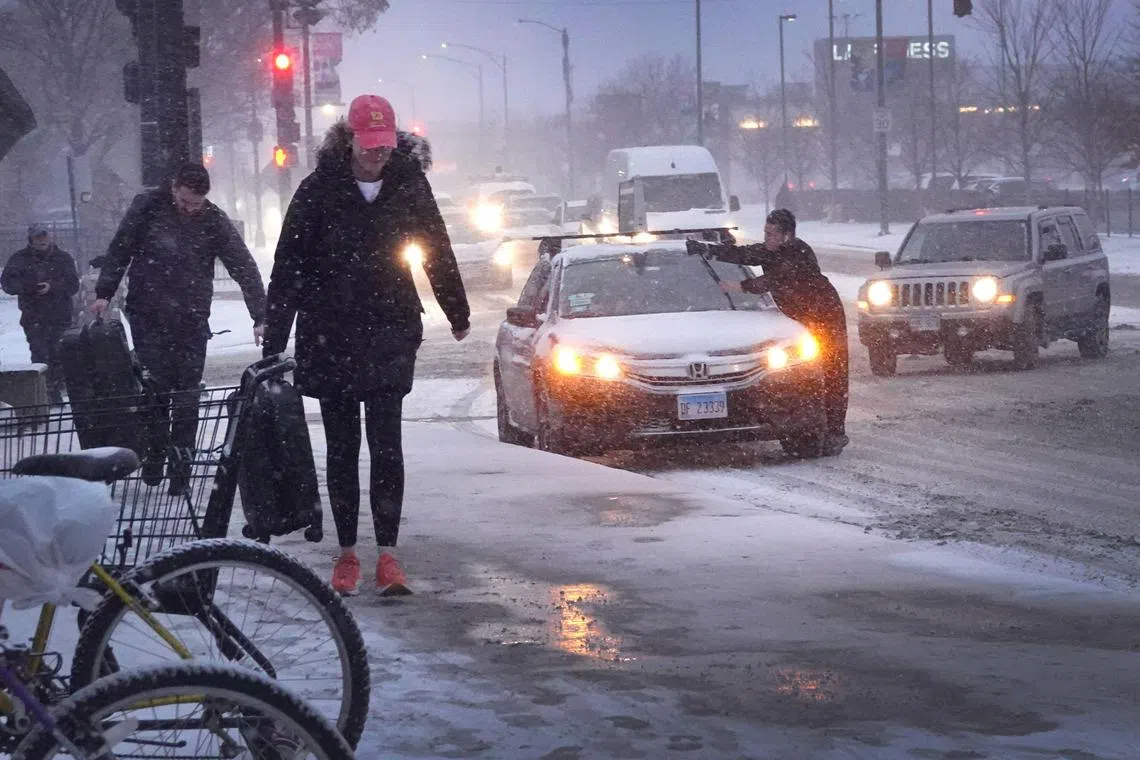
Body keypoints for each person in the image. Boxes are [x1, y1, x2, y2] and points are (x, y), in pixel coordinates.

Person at [262, 94, 471, 597]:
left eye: (384, 145)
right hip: (329, 330)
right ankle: (348, 553)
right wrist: (275, 335)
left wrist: (456, 311)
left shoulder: (408, 185)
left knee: (386, 444)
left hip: (388, 327)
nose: (377, 154)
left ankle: (389, 555)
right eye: (368, 144)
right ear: (349, 139)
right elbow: (288, 265)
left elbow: (437, 248)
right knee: (341, 447)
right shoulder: (318, 190)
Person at [92, 163, 267, 494]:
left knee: (187, 397)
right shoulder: (147, 207)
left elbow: (243, 265)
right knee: (154, 390)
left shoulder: (213, 220)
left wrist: (260, 314)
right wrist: (104, 292)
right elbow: (121, 248)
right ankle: (155, 455)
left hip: (190, 317)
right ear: (173, 188)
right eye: (185, 202)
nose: (190, 210)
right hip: (148, 314)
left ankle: (180, 473)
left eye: (196, 205)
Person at [688, 209, 849, 455]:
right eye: (765, 232)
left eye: (771, 234)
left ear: (787, 236)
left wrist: (739, 286)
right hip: (799, 316)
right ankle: (814, 426)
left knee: (831, 371)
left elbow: (776, 279)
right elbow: (744, 254)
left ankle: (835, 432)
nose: (767, 238)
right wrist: (708, 249)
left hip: (825, 314)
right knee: (809, 373)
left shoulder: (799, 252)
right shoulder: (769, 250)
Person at [1, 224, 79, 404]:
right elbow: (7, 283)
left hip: (60, 315)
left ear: (50, 237)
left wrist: (52, 287)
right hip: (33, 315)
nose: (42, 240)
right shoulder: (19, 259)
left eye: (44, 236)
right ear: (31, 239)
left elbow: (72, 285)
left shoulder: (63, 258)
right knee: (39, 353)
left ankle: (56, 387)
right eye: (38, 237)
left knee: (58, 354)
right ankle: (46, 392)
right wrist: (28, 288)